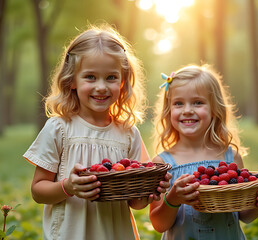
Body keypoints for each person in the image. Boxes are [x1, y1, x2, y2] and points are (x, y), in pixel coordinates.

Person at [23, 25, 170, 240]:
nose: (101, 87)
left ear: (122, 82)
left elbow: (136, 203)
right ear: (71, 80)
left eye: (111, 77)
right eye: (90, 77)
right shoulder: (59, 128)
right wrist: (69, 187)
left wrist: (150, 190)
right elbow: (38, 191)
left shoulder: (128, 132)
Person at [149, 64, 258, 239]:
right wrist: (173, 200)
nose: (187, 110)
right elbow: (159, 224)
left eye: (198, 102)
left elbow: (245, 216)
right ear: (169, 110)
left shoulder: (231, 157)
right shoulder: (162, 164)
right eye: (178, 103)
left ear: (215, 109)